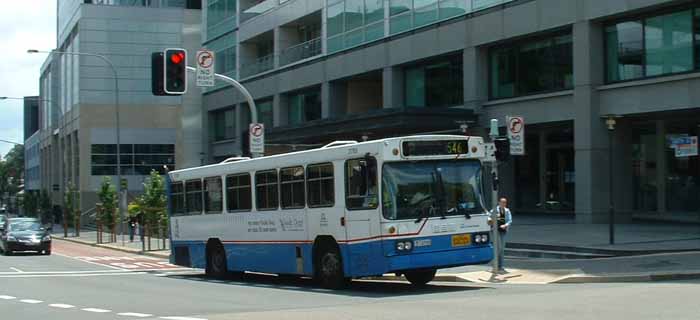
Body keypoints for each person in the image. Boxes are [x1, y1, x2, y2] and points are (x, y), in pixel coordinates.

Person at [490, 197, 512, 273]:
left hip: (503, 231)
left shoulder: (507, 211)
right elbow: (489, 218)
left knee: (502, 249)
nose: (503, 204)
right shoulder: (494, 210)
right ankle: (496, 266)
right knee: (498, 248)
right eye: (502, 202)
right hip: (496, 231)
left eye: (505, 202)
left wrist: (505, 225)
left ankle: (501, 266)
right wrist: (491, 221)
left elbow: (510, 220)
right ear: (499, 203)